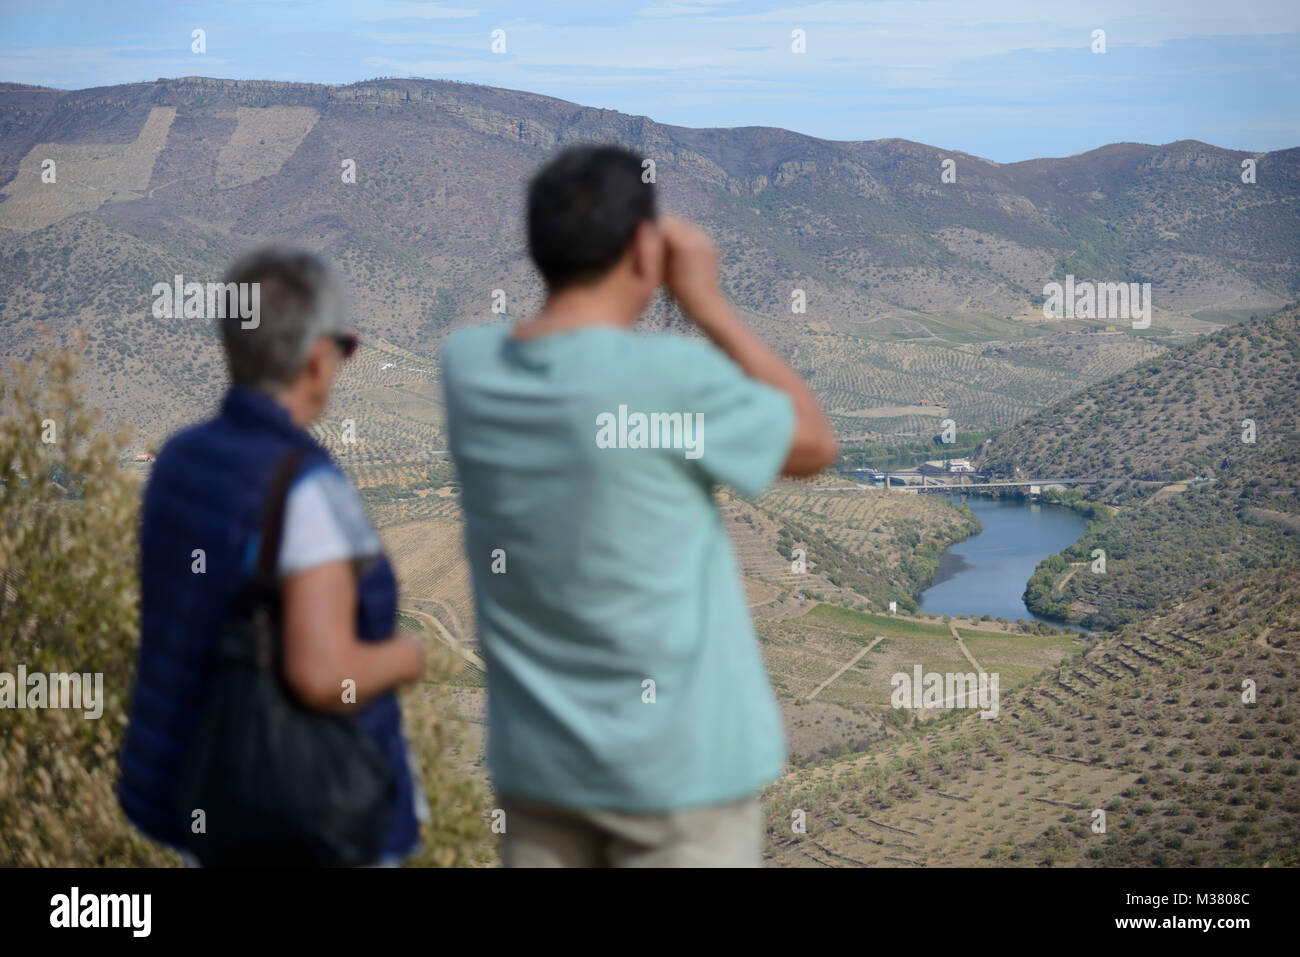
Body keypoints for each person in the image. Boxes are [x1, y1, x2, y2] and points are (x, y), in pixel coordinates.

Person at [442, 144, 837, 867]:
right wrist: (708, 304)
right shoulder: (669, 376)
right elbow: (812, 443)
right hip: (681, 777)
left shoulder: (468, 368)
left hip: (539, 774)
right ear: (643, 250)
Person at [118, 248, 426, 865]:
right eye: (347, 348)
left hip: (205, 790)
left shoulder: (180, 459)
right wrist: (406, 656)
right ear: (317, 359)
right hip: (303, 819)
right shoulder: (306, 488)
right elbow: (323, 676)